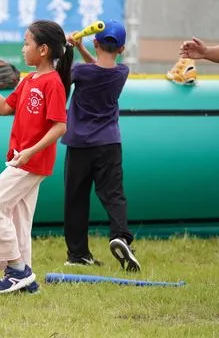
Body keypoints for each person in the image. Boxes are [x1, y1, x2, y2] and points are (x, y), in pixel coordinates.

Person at [0, 20, 71, 294]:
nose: (22, 48)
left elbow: (60, 125)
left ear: (42, 49)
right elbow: (5, 108)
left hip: (30, 162)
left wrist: (30, 150)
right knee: (19, 219)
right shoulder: (30, 80)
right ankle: (26, 280)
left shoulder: (53, 83)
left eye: (26, 43)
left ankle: (17, 269)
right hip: (21, 159)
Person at [63, 20, 141, 272]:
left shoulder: (80, 72)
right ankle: (120, 235)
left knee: (75, 198)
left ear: (95, 42)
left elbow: (77, 74)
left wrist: (72, 47)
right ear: (121, 49)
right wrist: (84, 49)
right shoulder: (122, 73)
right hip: (109, 143)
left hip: (79, 144)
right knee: (113, 194)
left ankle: (78, 255)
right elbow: (100, 68)